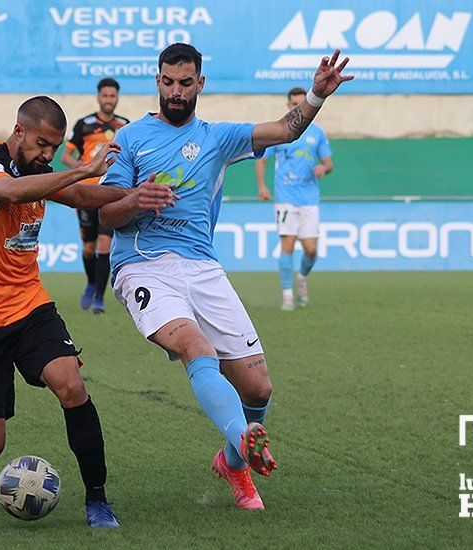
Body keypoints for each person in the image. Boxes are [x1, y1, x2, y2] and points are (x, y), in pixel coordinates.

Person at [99, 44, 351, 510]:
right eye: (168, 82)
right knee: (198, 348)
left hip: (203, 267)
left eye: (185, 83)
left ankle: (233, 460)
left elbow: (283, 130)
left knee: (258, 388)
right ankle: (246, 441)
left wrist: (316, 95)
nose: (176, 92)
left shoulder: (218, 137)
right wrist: (136, 200)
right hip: (143, 265)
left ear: (200, 84)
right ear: (157, 82)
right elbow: (104, 217)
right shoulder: (131, 139)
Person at [0, 96, 155, 528]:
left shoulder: (40, 170)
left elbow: (82, 194)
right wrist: (83, 167)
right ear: (19, 131)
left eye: (54, 146)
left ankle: (97, 500)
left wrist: (134, 194)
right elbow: (9, 191)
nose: (47, 154)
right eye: (42, 144)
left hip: (29, 306)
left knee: (71, 385)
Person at [255, 87, 333, 310]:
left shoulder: (317, 133)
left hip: (309, 199)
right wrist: (262, 185)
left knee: (310, 250)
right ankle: (287, 295)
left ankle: (301, 278)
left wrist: (323, 169)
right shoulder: (280, 132)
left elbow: (329, 163)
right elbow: (262, 159)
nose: (299, 107)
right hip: (285, 197)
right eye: (295, 104)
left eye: (302, 103)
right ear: (288, 106)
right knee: (287, 244)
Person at [62, 78, 130, 314]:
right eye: (105, 96)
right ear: (99, 97)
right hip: (86, 193)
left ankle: (99, 297)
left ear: (117, 98)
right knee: (89, 248)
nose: (109, 100)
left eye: (113, 96)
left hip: (110, 193)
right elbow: (66, 156)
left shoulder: (126, 126)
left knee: (104, 244)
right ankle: (91, 283)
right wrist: (85, 168)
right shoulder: (84, 125)